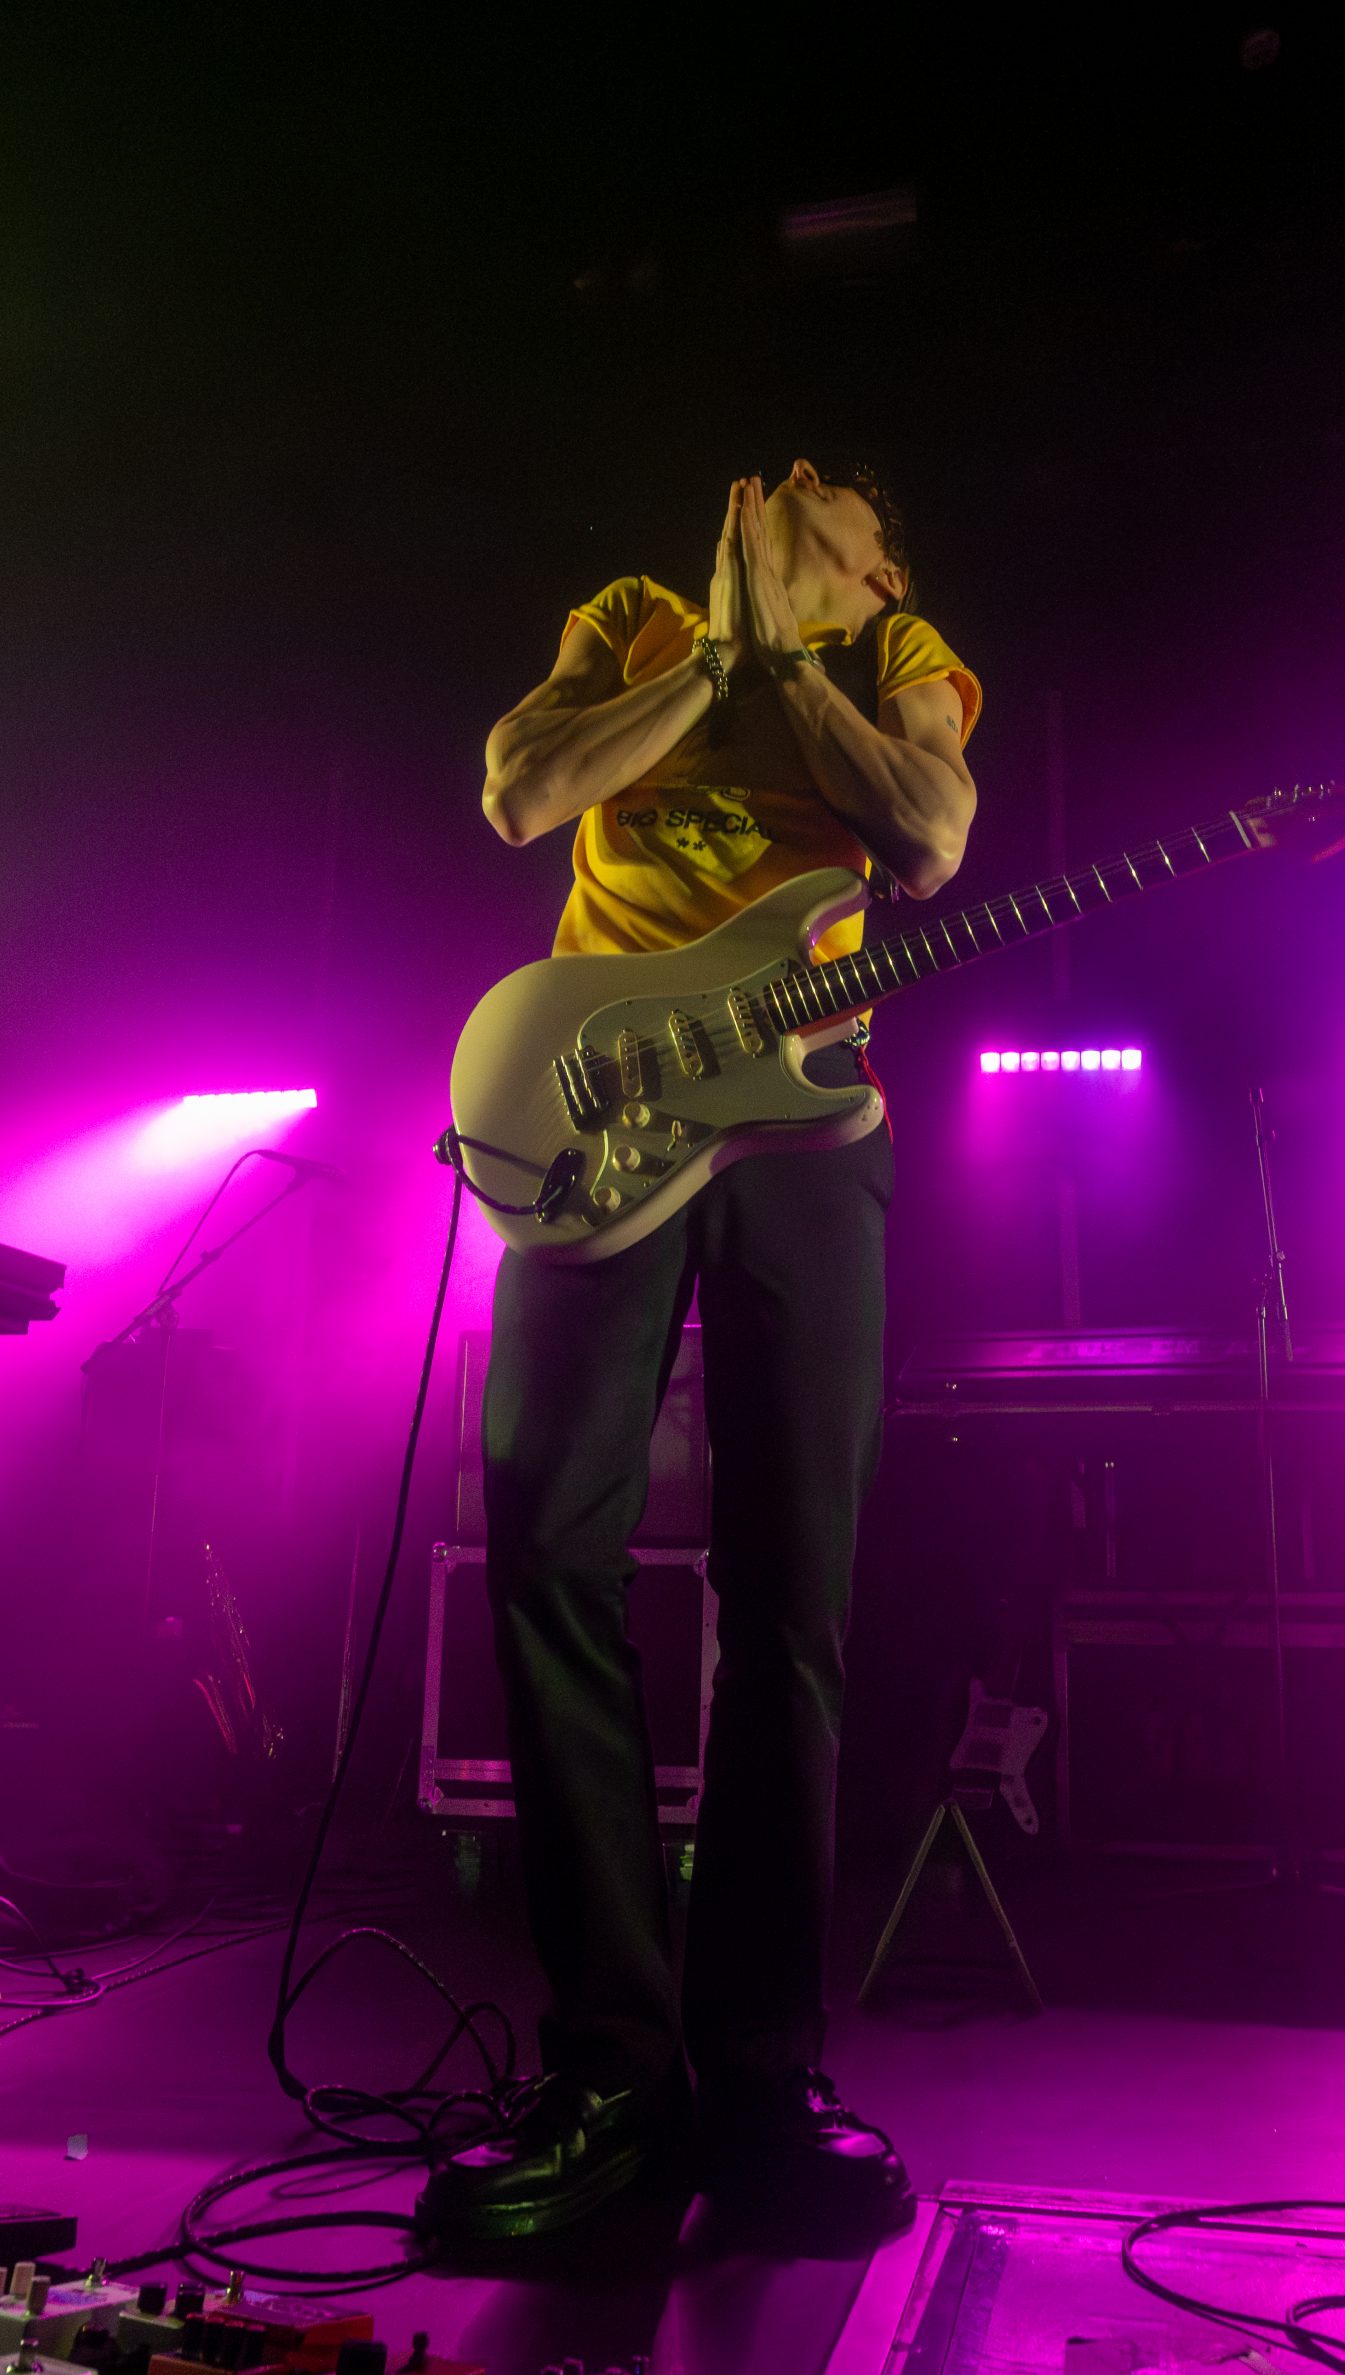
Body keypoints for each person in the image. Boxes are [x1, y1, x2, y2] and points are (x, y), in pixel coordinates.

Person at [418, 462, 980, 2250]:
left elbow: (930, 840)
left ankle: (759, 2078)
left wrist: (792, 666)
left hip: (805, 1131)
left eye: (841, 501)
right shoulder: (638, 619)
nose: (793, 477)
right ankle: (607, 2078)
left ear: (876, 569)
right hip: (602, 1123)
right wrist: (715, 662)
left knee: (790, 1594)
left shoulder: (898, 653)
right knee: (544, 1542)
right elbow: (524, 791)